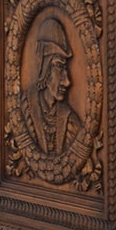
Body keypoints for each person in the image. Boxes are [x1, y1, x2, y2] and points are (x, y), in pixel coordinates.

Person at [23, 15, 82, 155]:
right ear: (44, 66)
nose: (67, 82)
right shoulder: (24, 109)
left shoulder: (70, 122)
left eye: (65, 67)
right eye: (59, 66)